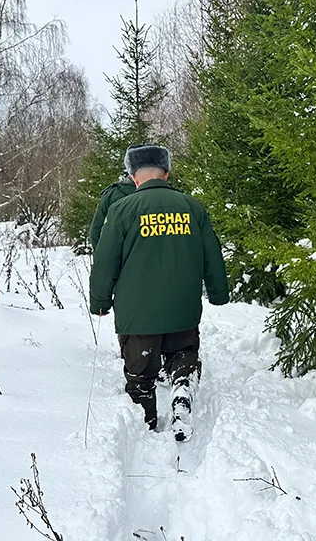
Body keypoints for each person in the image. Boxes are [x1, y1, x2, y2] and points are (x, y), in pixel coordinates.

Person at [89, 144, 229, 439]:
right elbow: (212, 254)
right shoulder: (192, 207)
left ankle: (146, 427)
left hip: (137, 314)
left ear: (133, 176)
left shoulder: (121, 209)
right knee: (183, 354)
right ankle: (182, 387)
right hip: (183, 308)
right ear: (166, 172)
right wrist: (218, 293)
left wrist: (100, 300)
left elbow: (105, 260)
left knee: (140, 373)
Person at [87, 169, 136, 251]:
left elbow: (95, 232)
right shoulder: (157, 194)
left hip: (116, 252)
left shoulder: (111, 193)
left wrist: (102, 255)